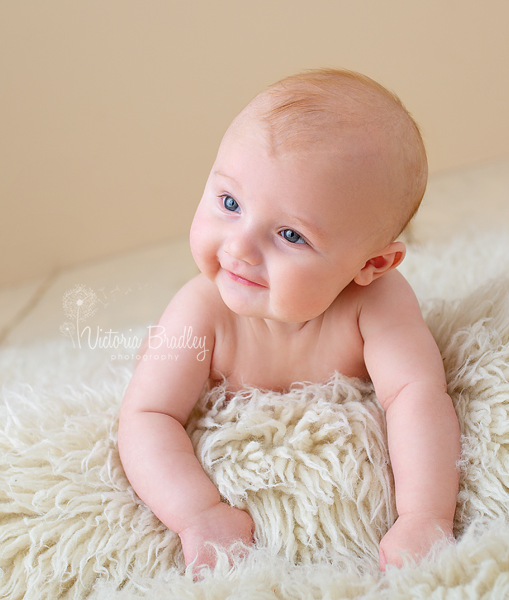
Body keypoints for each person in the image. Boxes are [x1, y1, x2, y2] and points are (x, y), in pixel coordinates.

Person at [118, 68, 461, 573]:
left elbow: (417, 395)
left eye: (290, 235)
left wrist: (425, 515)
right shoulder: (201, 310)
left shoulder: (378, 303)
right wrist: (198, 514)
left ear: (371, 265)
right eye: (230, 203)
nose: (238, 247)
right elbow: (146, 416)